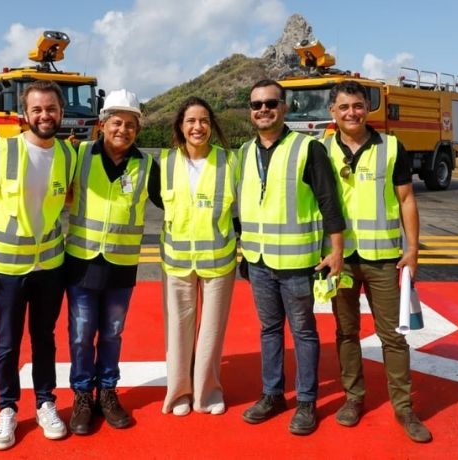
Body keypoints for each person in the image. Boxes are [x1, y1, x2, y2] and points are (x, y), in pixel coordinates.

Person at [0, 80, 75, 450]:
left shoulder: (67, 154)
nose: (45, 115)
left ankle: (46, 402)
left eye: (51, 109)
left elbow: (69, 197)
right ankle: (7, 409)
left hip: (50, 266)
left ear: (61, 113)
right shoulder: (6, 150)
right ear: (25, 115)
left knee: (44, 339)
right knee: (8, 343)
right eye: (38, 109)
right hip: (9, 269)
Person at [323, 80, 430, 443]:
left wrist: (412, 249)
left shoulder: (391, 147)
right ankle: (354, 398)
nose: (351, 112)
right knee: (346, 332)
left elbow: (407, 200)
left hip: (385, 259)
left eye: (357, 105)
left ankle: (404, 407)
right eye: (343, 107)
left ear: (367, 108)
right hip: (341, 260)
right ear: (332, 112)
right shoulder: (321, 150)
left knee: (393, 337)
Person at [238, 79, 345, 435]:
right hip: (258, 261)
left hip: (298, 263)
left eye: (271, 103)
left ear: (284, 107)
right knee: (269, 330)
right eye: (257, 105)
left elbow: (330, 202)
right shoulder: (243, 152)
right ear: (251, 112)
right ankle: (272, 395)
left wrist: (336, 252)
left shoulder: (308, 148)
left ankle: (306, 402)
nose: (263, 109)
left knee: (303, 331)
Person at [65, 89, 162, 435]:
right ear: (103, 124)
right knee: (80, 335)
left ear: (138, 129)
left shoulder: (147, 165)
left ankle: (107, 391)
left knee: (112, 333)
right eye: (117, 122)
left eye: (130, 124)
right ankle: (82, 396)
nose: (123, 129)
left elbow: (174, 203)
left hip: (121, 265)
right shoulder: (78, 156)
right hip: (80, 262)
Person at [160, 97, 237, 417]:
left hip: (219, 259)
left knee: (211, 330)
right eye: (191, 121)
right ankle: (179, 393)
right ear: (180, 125)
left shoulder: (230, 161)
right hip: (176, 260)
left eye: (204, 120)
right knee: (178, 329)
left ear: (212, 125)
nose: (198, 127)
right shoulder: (165, 161)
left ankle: (207, 393)